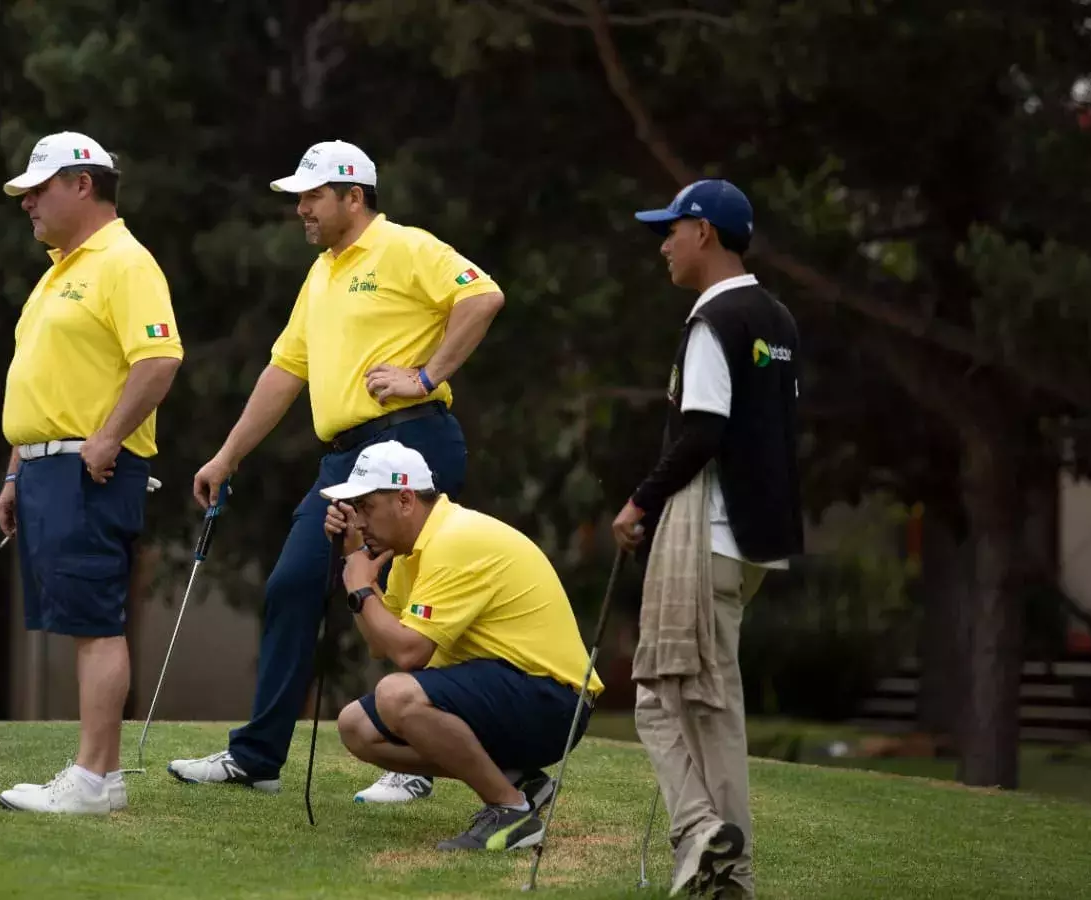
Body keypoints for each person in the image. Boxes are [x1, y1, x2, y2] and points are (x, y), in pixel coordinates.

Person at [168, 140, 505, 804]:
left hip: (414, 443)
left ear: (354, 196)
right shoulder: (320, 274)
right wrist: (226, 454)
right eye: (300, 197)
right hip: (346, 459)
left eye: (312, 196)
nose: (301, 209)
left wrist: (426, 375)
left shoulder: (405, 247)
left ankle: (415, 759)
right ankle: (258, 757)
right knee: (293, 584)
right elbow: (283, 372)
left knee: (410, 598)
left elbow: (483, 297)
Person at [611, 179, 802, 896]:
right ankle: (720, 867)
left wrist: (638, 502)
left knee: (667, 699)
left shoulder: (712, 321)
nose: (663, 244)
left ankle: (709, 841)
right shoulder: (777, 317)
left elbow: (703, 430)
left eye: (671, 229)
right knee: (700, 701)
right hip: (758, 537)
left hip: (707, 536)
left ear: (705, 234)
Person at [0, 131, 184, 815]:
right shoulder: (59, 271)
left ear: (82, 183)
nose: (28, 205)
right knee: (81, 621)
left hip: (90, 467)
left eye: (37, 190)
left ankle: (94, 781)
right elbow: (44, 384)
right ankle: (100, 774)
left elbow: (158, 361)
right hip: (47, 470)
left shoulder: (124, 262)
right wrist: (16, 474)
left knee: (98, 622)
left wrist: (107, 439)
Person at [317, 440, 604, 850]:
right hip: (516, 690)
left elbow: (409, 654)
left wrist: (361, 586)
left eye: (365, 507)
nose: (358, 522)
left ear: (404, 499)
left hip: (556, 702)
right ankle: (513, 779)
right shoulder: (409, 553)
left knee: (396, 695)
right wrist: (357, 570)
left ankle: (512, 811)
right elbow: (382, 643)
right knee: (356, 727)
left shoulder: (453, 540)